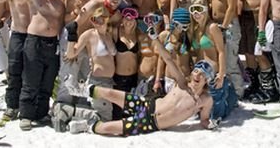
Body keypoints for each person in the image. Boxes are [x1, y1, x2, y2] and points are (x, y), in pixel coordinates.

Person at [64, 28, 215, 136]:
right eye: (196, 71)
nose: (197, 75)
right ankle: (80, 90)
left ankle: (86, 126)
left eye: (202, 74)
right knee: (110, 93)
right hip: (147, 104)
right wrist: (155, 39)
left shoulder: (205, 100)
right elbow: (168, 59)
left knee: (111, 128)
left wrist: (210, 124)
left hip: (151, 122)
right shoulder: (183, 83)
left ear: (207, 79)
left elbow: (204, 120)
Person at [5, 0, 65, 130]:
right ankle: (26, 114)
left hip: (52, 44)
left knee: (47, 81)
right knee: (31, 79)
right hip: (34, 42)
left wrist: (62, 45)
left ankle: (41, 112)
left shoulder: (60, 4)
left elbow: (60, 24)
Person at [236, 0, 278, 103]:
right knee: (248, 53)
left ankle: (267, 86)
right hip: (245, 16)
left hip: (258, 15)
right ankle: (254, 85)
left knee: (259, 52)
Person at [189, 0, 238, 120]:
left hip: (211, 72)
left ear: (206, 10)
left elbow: (221, 51)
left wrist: (221, 74)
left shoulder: (213, 27)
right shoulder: (196, 29)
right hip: (200, 74)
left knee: (217, 115)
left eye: (199, 9)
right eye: (193, 9)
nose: (196, 13)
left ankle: (230, 96)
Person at [65, 7, 117, 122]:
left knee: (106, 116)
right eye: (94, 20)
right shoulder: (89, 35)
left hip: (109, 81)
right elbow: (71, 53)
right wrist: (71, 35)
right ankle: (70, 111)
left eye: (101, 19)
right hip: (98, 80)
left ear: (107, 19)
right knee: (105, 118)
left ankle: (79, 122)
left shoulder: (108, 35)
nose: (98, 23)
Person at [205, 0, 244, 98]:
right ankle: (225, 91)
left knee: (230, 62)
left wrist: (224, 26)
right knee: (219, 61)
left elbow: (231, 7)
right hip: (216, 25)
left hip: (228, 25)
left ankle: (238, 93)